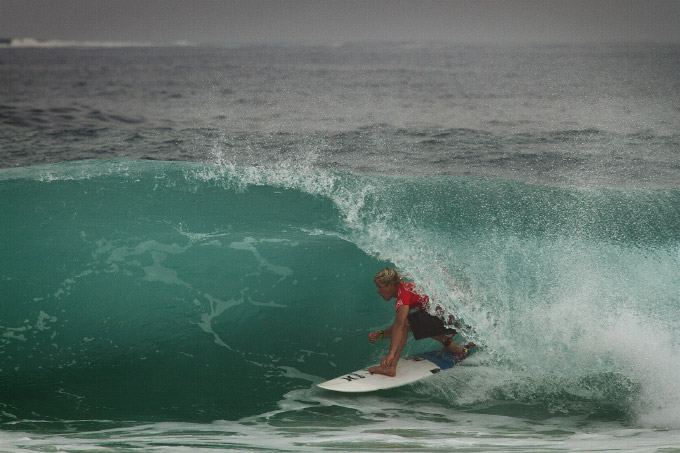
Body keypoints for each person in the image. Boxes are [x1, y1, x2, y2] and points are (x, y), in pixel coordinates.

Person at [368, 267, 467, 377]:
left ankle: (391, 368)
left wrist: (391, 353)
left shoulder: (403, 295)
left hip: (451, 318)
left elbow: (400, 326)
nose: (378, 291)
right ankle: (455, 349)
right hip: (454, 316)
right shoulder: (405, 288)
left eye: (380, 287)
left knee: (406, 323)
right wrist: (380, 334)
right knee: (413, 321)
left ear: (391, 284)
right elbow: (401, 327)